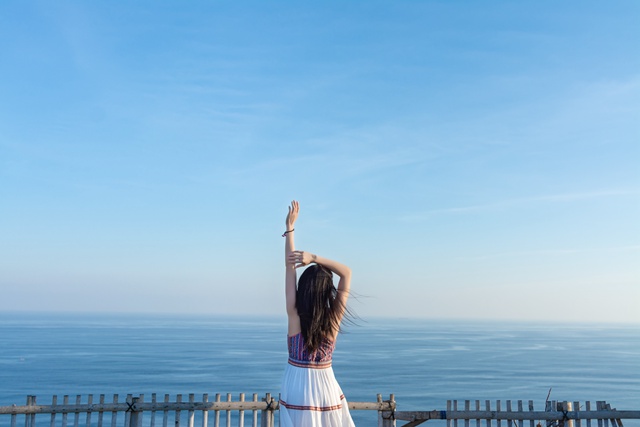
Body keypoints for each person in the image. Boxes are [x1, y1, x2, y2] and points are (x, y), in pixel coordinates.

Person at [279, 200, 356, 427]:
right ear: (326, 293)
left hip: (297, 388)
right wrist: (314, 258)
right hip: (326, 388)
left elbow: (289, 267)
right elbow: (347, 273)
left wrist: (290, 230)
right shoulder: (332, 320)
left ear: (303, 289)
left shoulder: (294, 315)